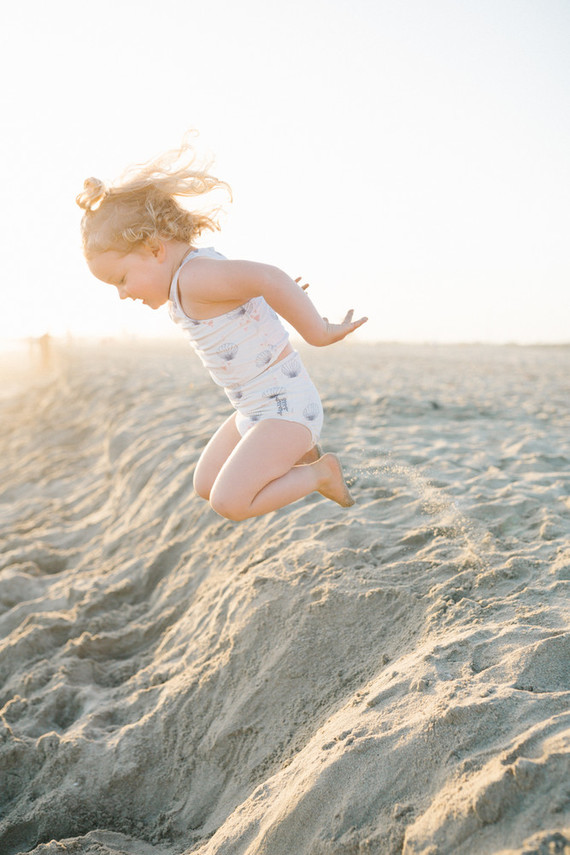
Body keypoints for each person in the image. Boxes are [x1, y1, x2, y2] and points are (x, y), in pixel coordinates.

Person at [77, 142, 367, 521]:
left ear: (153, 248)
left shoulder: (195, 277)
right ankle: (297, 455)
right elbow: (257, 290)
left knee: (229, 503)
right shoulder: (186, 283)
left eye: (121, 279)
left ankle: (319, 473)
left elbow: (269, 277)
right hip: (253, 408)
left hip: (286, 407)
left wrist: (318, 331)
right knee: (205, 484)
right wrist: (267, 297)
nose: (122, 294)